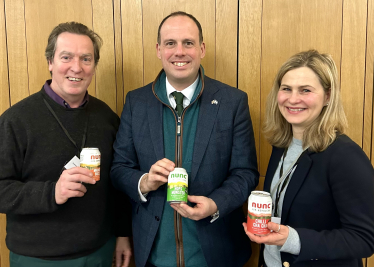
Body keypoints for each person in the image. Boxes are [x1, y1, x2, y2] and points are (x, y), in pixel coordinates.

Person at [111, 11, 259, 267]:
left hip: (218, 253)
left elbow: (245, 173)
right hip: (154, 255)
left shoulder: (232, 102)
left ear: (201, 48)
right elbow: (119, 168)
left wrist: (215, 204)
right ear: (159, 50)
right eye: (170, 43)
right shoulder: (136, 102)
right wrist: (144, 182)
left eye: (188, 43)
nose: (179, 52)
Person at [0, 22, 132, 267]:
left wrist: (123, 234)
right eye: (66, 57)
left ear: (94, 66)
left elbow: (118, 183)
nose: (76, 67)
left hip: (100, 253)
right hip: (37, 258)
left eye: (86, 59)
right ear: (50, 62)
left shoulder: (107, 118)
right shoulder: (15, 120)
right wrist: (51, 193)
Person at [243, 50, 374, 267]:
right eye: (286, 89)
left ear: (328, 96)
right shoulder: (281, 145)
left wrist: (293, 240)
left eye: (305, 90)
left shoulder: (345, 156)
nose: (293, 99)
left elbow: (365, 239)